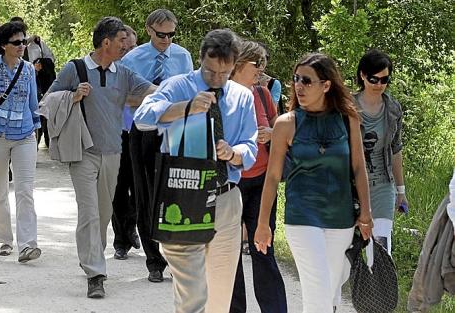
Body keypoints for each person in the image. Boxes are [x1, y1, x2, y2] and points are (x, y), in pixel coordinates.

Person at [134, 29, 258, 313]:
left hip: (226, 200)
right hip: (182, 196)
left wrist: (234, 153)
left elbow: (250, 146)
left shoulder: (242, 97)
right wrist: (184, 108)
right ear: (201, 58)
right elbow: (142, 118)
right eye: (210, 70)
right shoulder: (177, 85)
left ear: (234, 66)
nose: (216, 78)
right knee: (193, 295)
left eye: (224, 73)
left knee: (219, 297)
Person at [254, 52, 373, 313]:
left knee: (329, 290)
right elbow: (273, 177)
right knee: (317, 290)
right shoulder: (287, 124)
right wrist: (263, 224)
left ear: (326, 85)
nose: (299, 85)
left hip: (340, 218)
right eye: (296, 79)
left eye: (307, 80)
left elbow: (358, 168)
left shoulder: (347, 119)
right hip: (302, 217)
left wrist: (366, 212)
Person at [45, 17, 153, 299]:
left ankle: (93, 257)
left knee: (104, 214)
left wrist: (186, 92)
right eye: (121, 41)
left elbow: (151, 91)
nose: (125, 46)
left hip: (112, 152)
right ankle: (96, 273)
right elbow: (47, 101)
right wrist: (73, 96)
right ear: (106, 42)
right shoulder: (75, 69)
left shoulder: (124, 73)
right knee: (90, 212)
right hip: (82, 151)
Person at [120, 8, 194, 282]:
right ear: (149, 30)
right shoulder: (133, 58)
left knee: (174, 194)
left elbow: (190, 91)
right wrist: (155, 98)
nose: (166, 39)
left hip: (175, 131)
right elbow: (123, 96)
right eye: (161, 34)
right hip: (144, 130)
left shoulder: (182, 56)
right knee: (146, 194)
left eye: (171, 34)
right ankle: (154, 260)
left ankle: (175, 255)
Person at [0, 21, 42, 263]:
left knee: (25, 191)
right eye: (16, 42)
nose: (22, 46)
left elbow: (34, 106)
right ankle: (5, 240)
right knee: (0, 190)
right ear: (3, 45)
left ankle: (28, 244)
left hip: (24, 137)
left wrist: (36, 133)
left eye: (24, 41)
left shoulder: (29, 70)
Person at [229, 41, 286, 313]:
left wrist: (272, 134)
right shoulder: (220, 94)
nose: (262, 71)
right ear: (239, 64)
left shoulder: (263, 94)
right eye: (257, 65)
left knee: (264, 249)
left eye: (264, 65)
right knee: (231, 257)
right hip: (230, 183)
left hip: (262, 181)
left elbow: (279, 128)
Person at [354, 49, 407, 262]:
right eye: (374, 79)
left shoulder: (393, 108)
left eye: (384, 80)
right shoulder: (347, 106)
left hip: (383, 185)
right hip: (352, 186)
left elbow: (396, 149)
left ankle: (381, 293)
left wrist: (401, 191)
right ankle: (355, 290)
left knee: (382, 247)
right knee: (353, 247)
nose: (379, 85)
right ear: (362, 76)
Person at [110, 25, 140, 261]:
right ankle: (121, 240)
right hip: (117, 132)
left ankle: (132, 223)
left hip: (141, 131)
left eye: (132, 47)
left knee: (140, 187)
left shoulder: (141, 65)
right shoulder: (111, 67)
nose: (128, 51)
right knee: (119, 188)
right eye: (124, 47)